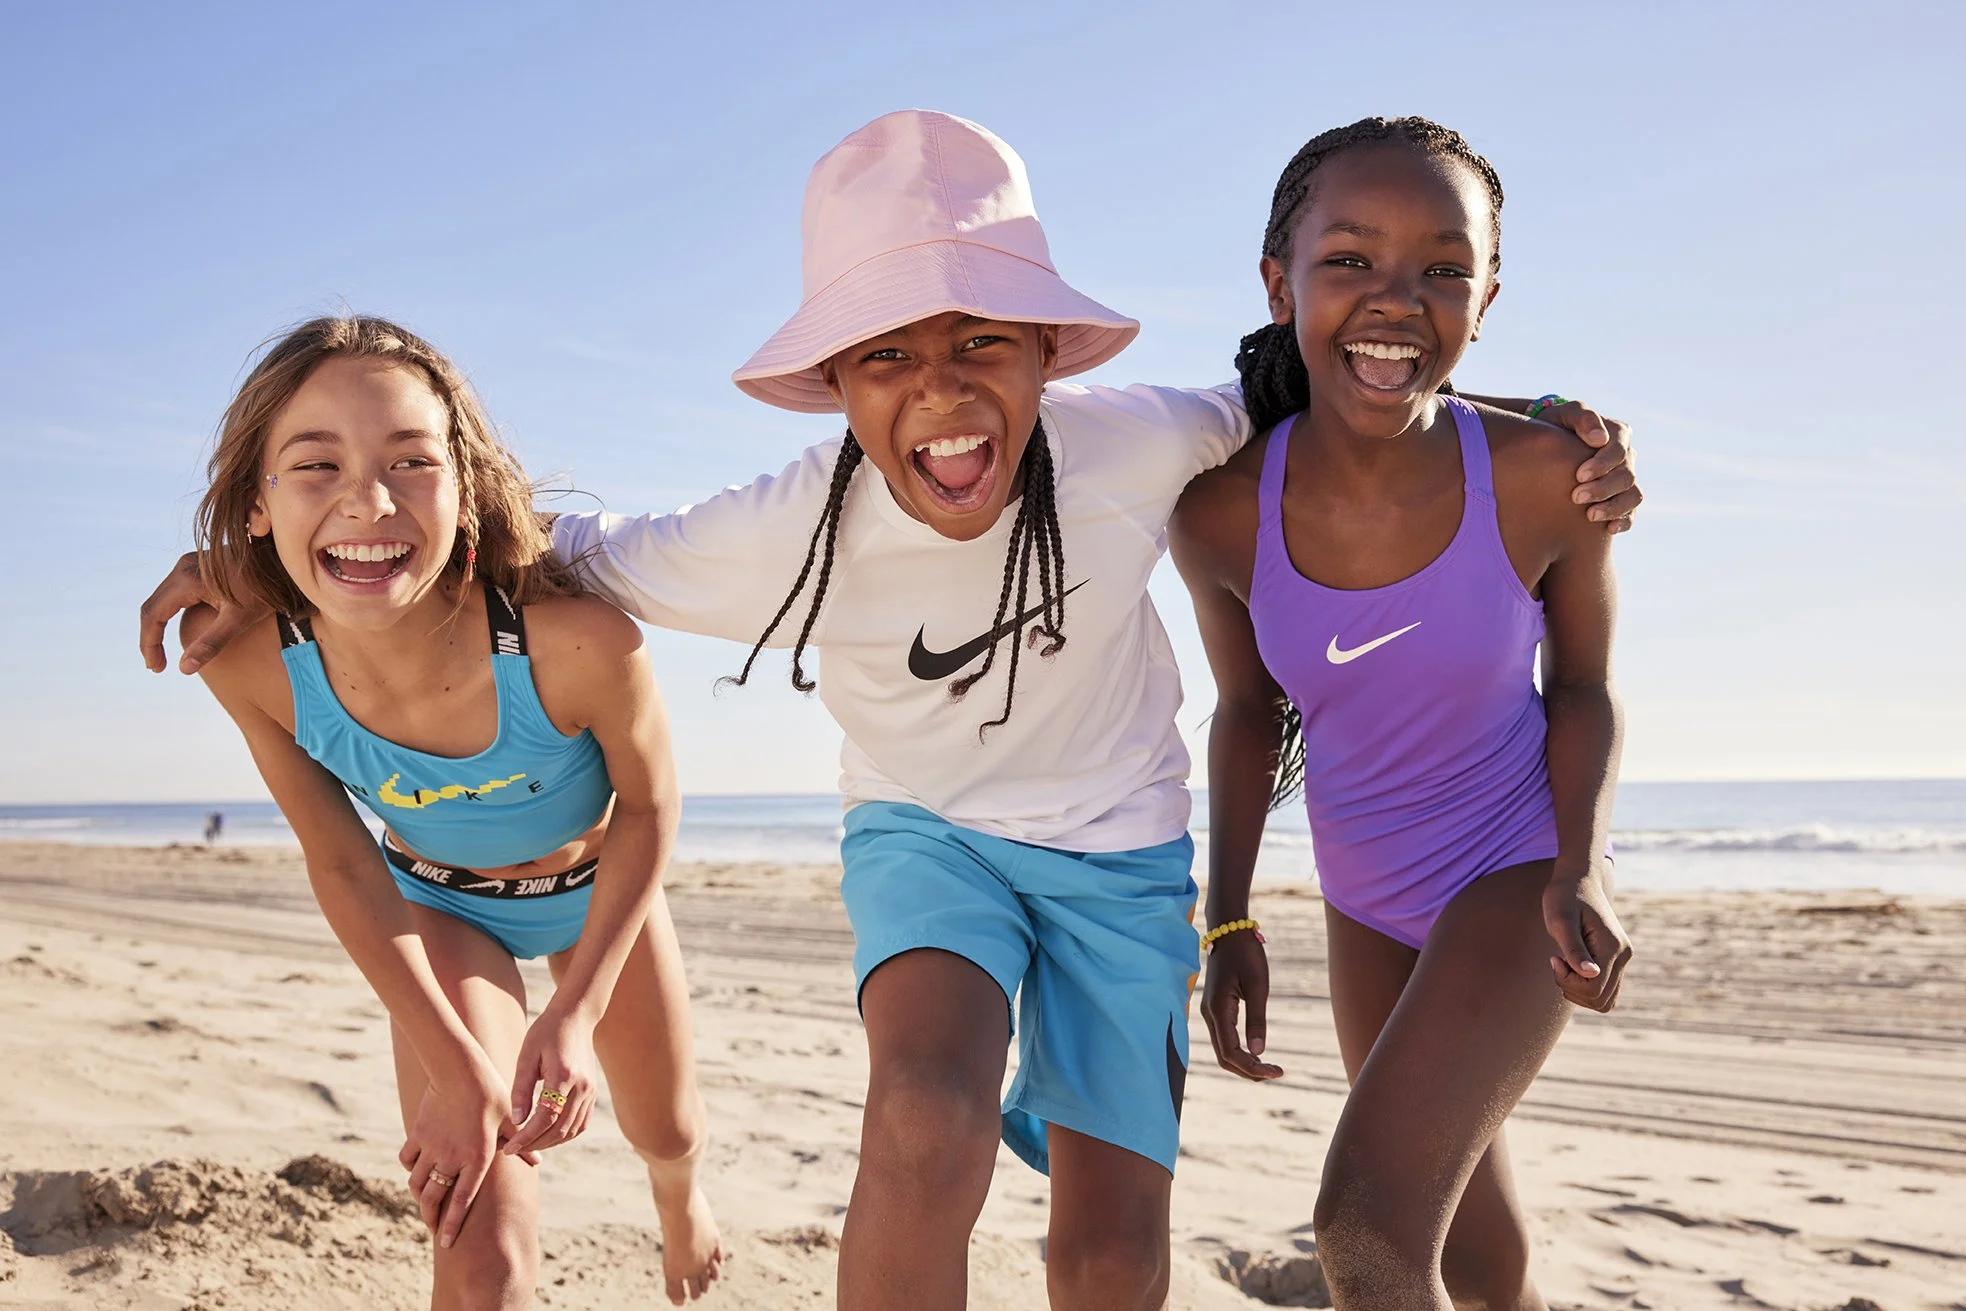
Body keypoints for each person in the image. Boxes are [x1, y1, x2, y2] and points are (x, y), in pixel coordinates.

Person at [140, 112, 1640, 1310]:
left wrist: (1559, 431)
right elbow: (500, 553)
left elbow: (1350, 392)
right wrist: (263, 565)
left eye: (983, 338)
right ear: (835, 382)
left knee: (1109, 1255)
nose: (940, 389)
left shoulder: (1142, 443)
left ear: (1046, 352)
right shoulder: (781, 526)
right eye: (887, 355)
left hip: (1122, 860)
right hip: (926, 842)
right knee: (922, 1113)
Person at [1170, 117, 1632, 1310]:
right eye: (1349, 262)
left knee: (1363, 1231)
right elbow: (1244, 712)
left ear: (1484, 296)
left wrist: (1581, 869)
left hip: (1516, 873)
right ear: (1279, 284)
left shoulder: (1544, 476)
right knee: (1475, 1256)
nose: (1397, 298)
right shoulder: (1219, 510)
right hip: (1361, 894)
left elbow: (1579, 687)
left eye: (1441, 269)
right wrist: (1225, 921)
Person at [176, 316, 722, 1308]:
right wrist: (454, 1065)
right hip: (440, 910)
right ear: (256, 505)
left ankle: (681, 1201)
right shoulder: (255, 669)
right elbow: (343, 865)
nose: (366, 501)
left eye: (409, 462)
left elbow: (648, 809)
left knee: (667, 1127)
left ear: (463, 487)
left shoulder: (579, 644)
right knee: (478, 1247)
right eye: (315, 465)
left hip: (598, 897)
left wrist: (576, 1009)